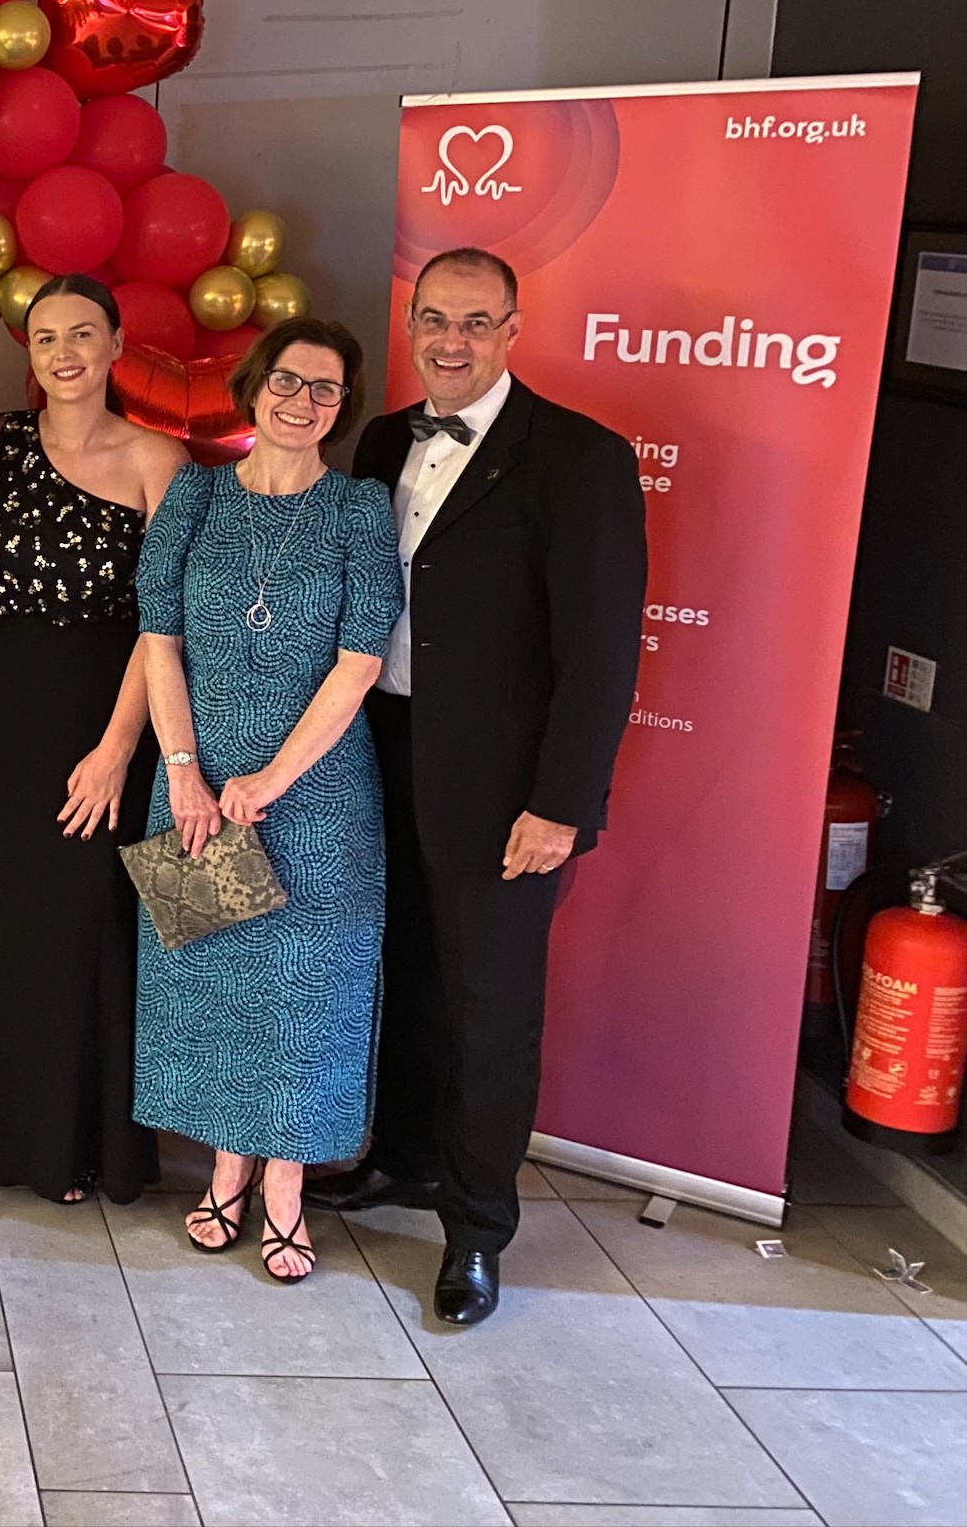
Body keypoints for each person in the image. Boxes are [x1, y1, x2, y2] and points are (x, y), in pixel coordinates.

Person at [309, 247, 645, 1326]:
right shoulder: (374, 440)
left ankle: (475, 1227)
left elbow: (597, 655)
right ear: (409, 323)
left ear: (509, 330)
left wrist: (560, 803)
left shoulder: (576, 458)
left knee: (488, 1008)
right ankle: (400, 1158)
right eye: (432, 320)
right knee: (400, 973)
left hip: (502, 785)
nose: (448, 342)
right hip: (381, 751)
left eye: (473, 322)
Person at [133, 317, 402, 1282]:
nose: (303, 403)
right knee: (211, 987)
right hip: (193, 787)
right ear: (255, 387)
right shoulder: (195, 496)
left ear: (344, 405)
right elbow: (157, 638)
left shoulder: (362, 508)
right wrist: (184, 771)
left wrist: (271, 781)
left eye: (326, 390)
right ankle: (225, 1169)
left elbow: (361, 659)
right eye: (289, 382)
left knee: (305, 995)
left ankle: (286, 1187)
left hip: (318, 795)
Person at [0, 275, 186, 1206]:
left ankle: (76, 1143)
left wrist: (119, 746)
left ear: (119, 345)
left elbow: (166, 623)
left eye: (84, 333)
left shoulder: (160, 458)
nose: (65, 351)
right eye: (46, 338)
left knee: (87, 930)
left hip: (106, 706)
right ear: (28, 354)